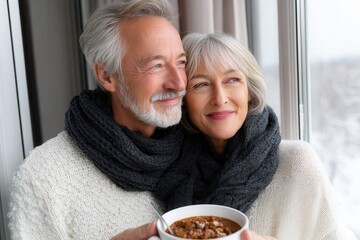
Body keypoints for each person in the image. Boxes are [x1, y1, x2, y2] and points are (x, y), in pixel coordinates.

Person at [8, 0, 188, 239]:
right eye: (156, 65)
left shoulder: (202, 146)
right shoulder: (46, 178)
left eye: (181, 63)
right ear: (107, 76)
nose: (179, 83)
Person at [155, 32, 356, 239]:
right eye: (201, 85)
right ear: (183, 99)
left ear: (249, 91)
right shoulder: (172, 169)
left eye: (232, 80)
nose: (219, 98)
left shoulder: (297, 162)